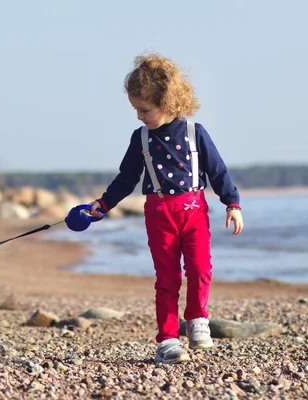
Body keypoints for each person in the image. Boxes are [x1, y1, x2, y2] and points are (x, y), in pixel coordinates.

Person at [87, 53, 244, 364]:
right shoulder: (141, 138)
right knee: (167, 278)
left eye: (144, 109)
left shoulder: (195, 133)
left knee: (200, 269)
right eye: (136, 109)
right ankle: (168, 339)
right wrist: (103, 204)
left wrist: (232, 203)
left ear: (167, 101)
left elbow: (218, 171)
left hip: (194, 210)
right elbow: (127, 177)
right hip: (159, 214)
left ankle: (198, 318)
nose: (139, 116)